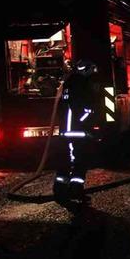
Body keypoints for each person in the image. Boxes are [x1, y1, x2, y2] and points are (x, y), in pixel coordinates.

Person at [53, 59, 100, 203]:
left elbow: (62, 107)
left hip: (65, 132)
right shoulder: (82, 84)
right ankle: (76, 190)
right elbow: (83, 109)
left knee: (65, 161)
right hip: (78, 132)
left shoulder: (68, 83)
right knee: (80, 161)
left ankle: (60, 191)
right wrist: (88, 122)